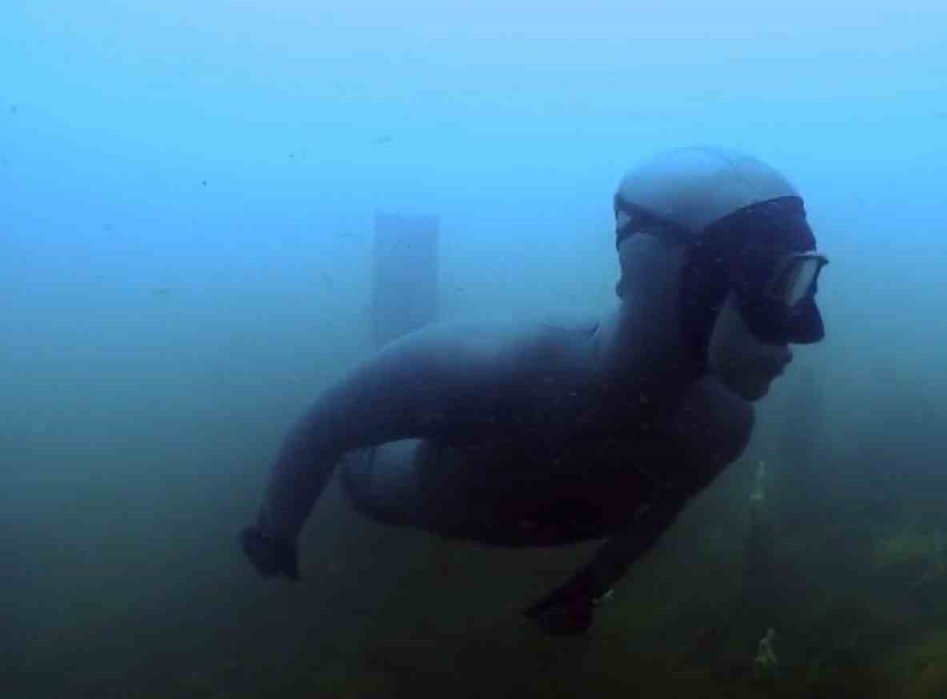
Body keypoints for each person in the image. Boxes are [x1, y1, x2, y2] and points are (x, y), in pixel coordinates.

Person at [240, 146, 829, 634]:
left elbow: (665, 504)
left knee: (404, 375)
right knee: (394, 359)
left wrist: (588, 589)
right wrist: (275, 534)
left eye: (802, 279)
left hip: (465, 494)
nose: (805, 327)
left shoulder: (724, 425)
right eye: (770, 279)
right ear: (667, 268)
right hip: (377, 485)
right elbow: (327, 427)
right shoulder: (490, 367)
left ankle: (403, 289)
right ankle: (402, 278)